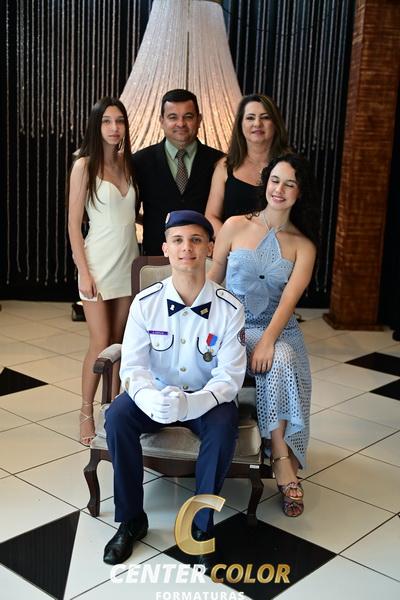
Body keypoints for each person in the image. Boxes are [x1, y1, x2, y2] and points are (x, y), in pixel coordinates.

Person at [103, 210, 246, 567]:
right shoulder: (145, 303)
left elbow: (229, 378)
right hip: (156, 394)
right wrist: (149, 397)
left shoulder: (229, 309)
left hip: (205, 398)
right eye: (178, 241)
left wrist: (191, 405)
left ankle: (201, 526)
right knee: (118, 416)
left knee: (224, 425)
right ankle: (131, 519)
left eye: (196, 240)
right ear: (165, 248)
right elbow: (133, 367)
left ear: (210, 248)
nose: (187, 248)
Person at [208, 154, 319, 517]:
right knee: (277, 356)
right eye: (275, 180)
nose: (279, 189)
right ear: (265, 183)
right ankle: (281, 459)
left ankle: (280, 454)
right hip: (234, 327)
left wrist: (269, 340)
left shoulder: (304, 246)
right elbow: (213, 280)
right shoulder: (234, 226)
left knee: (282, 356)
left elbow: (288, 301)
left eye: (290, 184)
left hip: (278, 330)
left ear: (299, 192)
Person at [68, 97, 139, 446]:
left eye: (119, 121)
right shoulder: (84, 165)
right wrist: (83, 271)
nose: (114, 128)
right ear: (96, 127)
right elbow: (73, 224)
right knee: (99, 342)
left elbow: (128, 216)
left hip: (129, 263)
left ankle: (111, 411)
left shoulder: (128, 165)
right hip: (97, 263)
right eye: (107, 121)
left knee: (119, 343)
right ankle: (85, 412)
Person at [132, 89, 224, 255]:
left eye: (188, 117)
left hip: (207, 259)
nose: (181, 123)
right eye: (173, 117)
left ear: (199, 120)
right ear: (161, 121)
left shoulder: (219, 162)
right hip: (156, 256)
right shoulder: (140, 161)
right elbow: (130, 210)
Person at [205, 94, 290, 236]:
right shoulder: (225, 166)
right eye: (250, 118)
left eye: (265, 117)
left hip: (277, 246)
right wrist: (233, 244)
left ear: (275, 124)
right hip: (229, 247)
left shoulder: (290, 167)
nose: (257, 123)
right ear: (240, 124)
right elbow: (211, 217)